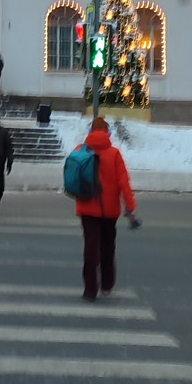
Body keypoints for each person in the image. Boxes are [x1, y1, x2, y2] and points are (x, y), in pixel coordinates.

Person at [74, 116, 139, 301]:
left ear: (90, 131)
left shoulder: (80, 151)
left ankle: (90, 289)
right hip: (109, 211)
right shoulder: (114, 154)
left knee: (90, 247)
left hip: (86, 207)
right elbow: (124, 183)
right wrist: (130, 207)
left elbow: (73, 176)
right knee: (108, 247)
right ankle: (107, 284)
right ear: (107, 132)